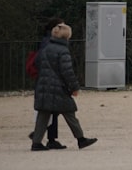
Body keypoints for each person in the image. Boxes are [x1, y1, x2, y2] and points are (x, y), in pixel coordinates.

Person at [30, 22, 98, 151]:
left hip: (43, 85)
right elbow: (67, 72)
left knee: (43, 114)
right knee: (69, 112)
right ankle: (81, 139)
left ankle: (36, 142)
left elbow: (37, 63)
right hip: (58, 87)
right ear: (67, 37)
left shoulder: (46, 48)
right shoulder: (63, 51)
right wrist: (74, 87)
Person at [28, 17, 66, 149]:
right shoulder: (49, 43)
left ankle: (47, 137)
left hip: (49, 79)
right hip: (50, 79)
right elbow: (41, 60)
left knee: (51, 110)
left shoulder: (49, 42)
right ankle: (44, 137)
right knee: (51, 110)